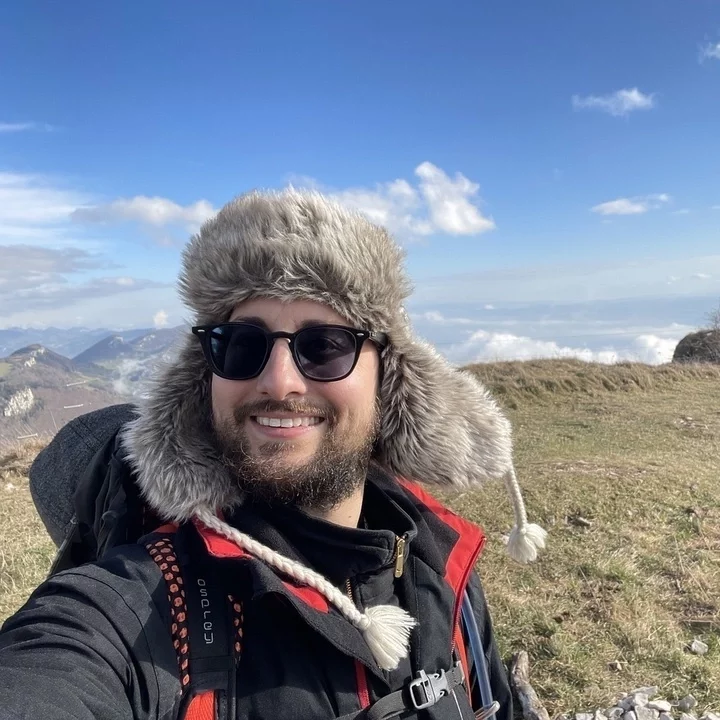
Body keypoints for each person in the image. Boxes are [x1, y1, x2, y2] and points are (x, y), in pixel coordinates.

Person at [0, 190, 546, 720]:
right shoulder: (133, 609)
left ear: (389, 376)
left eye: (325, 345)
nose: (279, 382)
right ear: (204, 380)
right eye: (242, 345)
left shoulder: (442, 561)